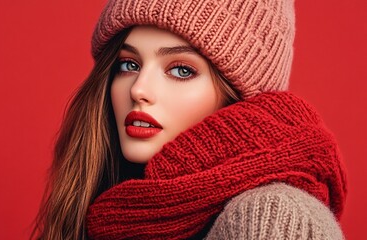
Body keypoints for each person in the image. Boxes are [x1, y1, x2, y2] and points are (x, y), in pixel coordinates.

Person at [32, 0, 346, 239]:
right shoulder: (114, 206)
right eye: (128, 65)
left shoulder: (273, 217)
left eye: (182, 70)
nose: (139, 89)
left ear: (237, 98)